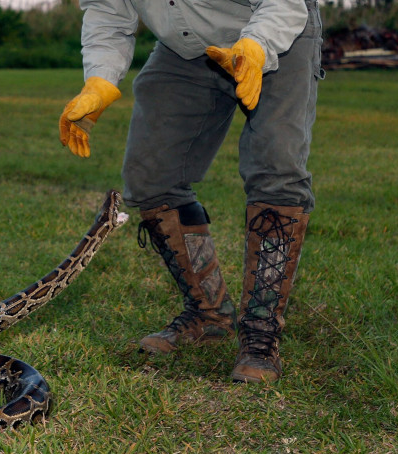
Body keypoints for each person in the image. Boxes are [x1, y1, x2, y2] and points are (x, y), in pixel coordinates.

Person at [59, 0, 323, 383]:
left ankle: (261, 334)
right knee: (150, 176)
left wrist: (256, 45)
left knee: (276, 169)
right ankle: (210, 314)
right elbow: (109, 13)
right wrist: (100, 79)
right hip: (185, 47)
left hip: (277, 29)